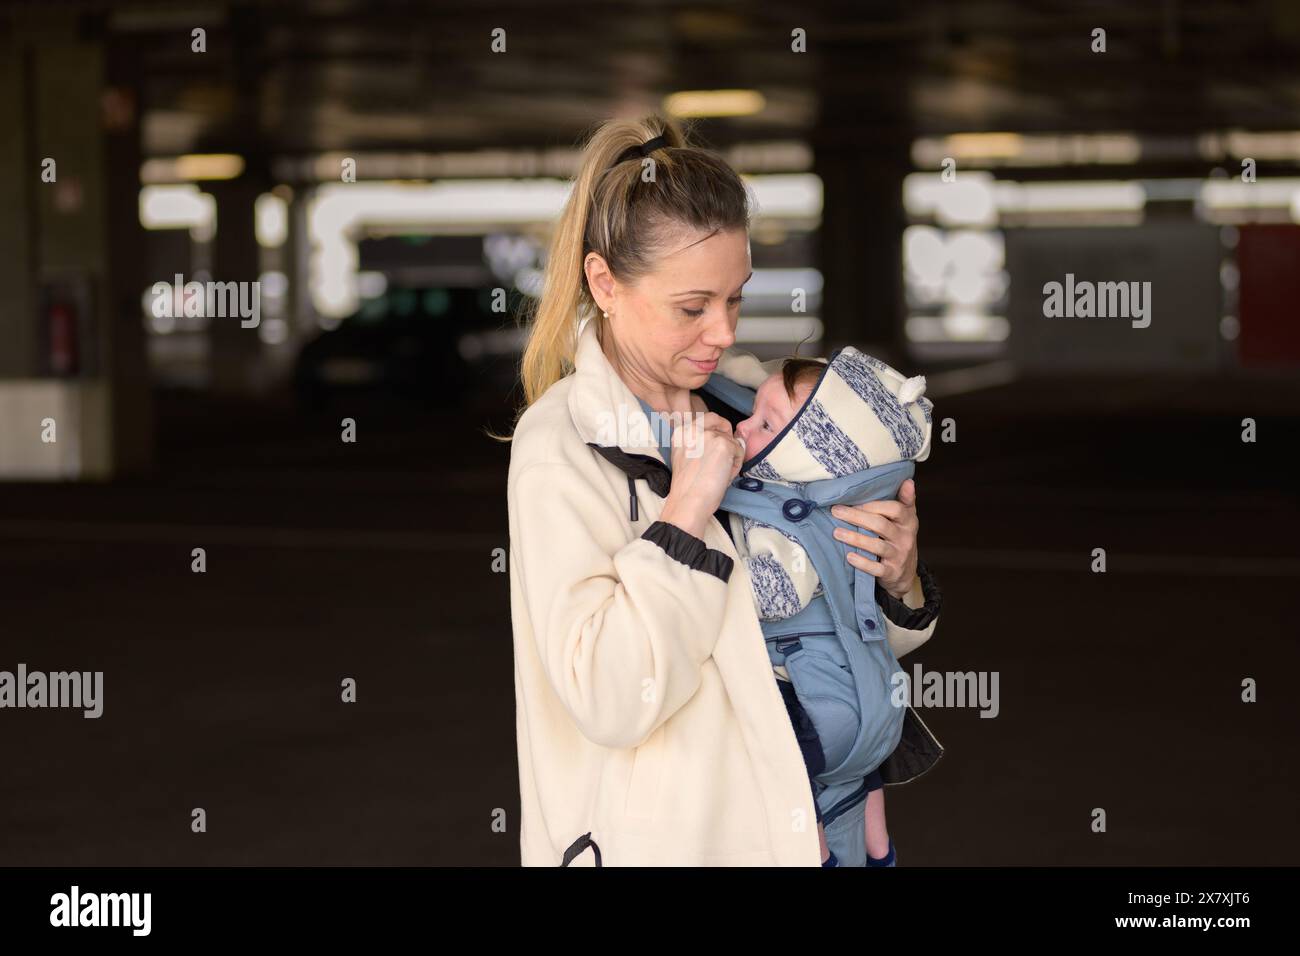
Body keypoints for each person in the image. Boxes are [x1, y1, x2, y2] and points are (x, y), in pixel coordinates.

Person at [504, 113, 941, 866]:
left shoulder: (750, 407)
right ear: (604, 283)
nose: (723, 335)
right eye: (692, 307)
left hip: (806, 835)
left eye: (735, 299)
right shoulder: (561, 450)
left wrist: (897, 580)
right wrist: (684, 515)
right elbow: (611, 697)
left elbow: (833, 631)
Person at [724, 349, 934, 866]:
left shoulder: (783, 512)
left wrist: (905, 583)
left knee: (787, 773)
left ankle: (812, 852)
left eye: (764, 423)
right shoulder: (826, 490)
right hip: (863, 696)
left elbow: (779, 593)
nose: (740, 430)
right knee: (859, 782)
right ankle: (878, 849)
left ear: (809, 455)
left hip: (804, 690)